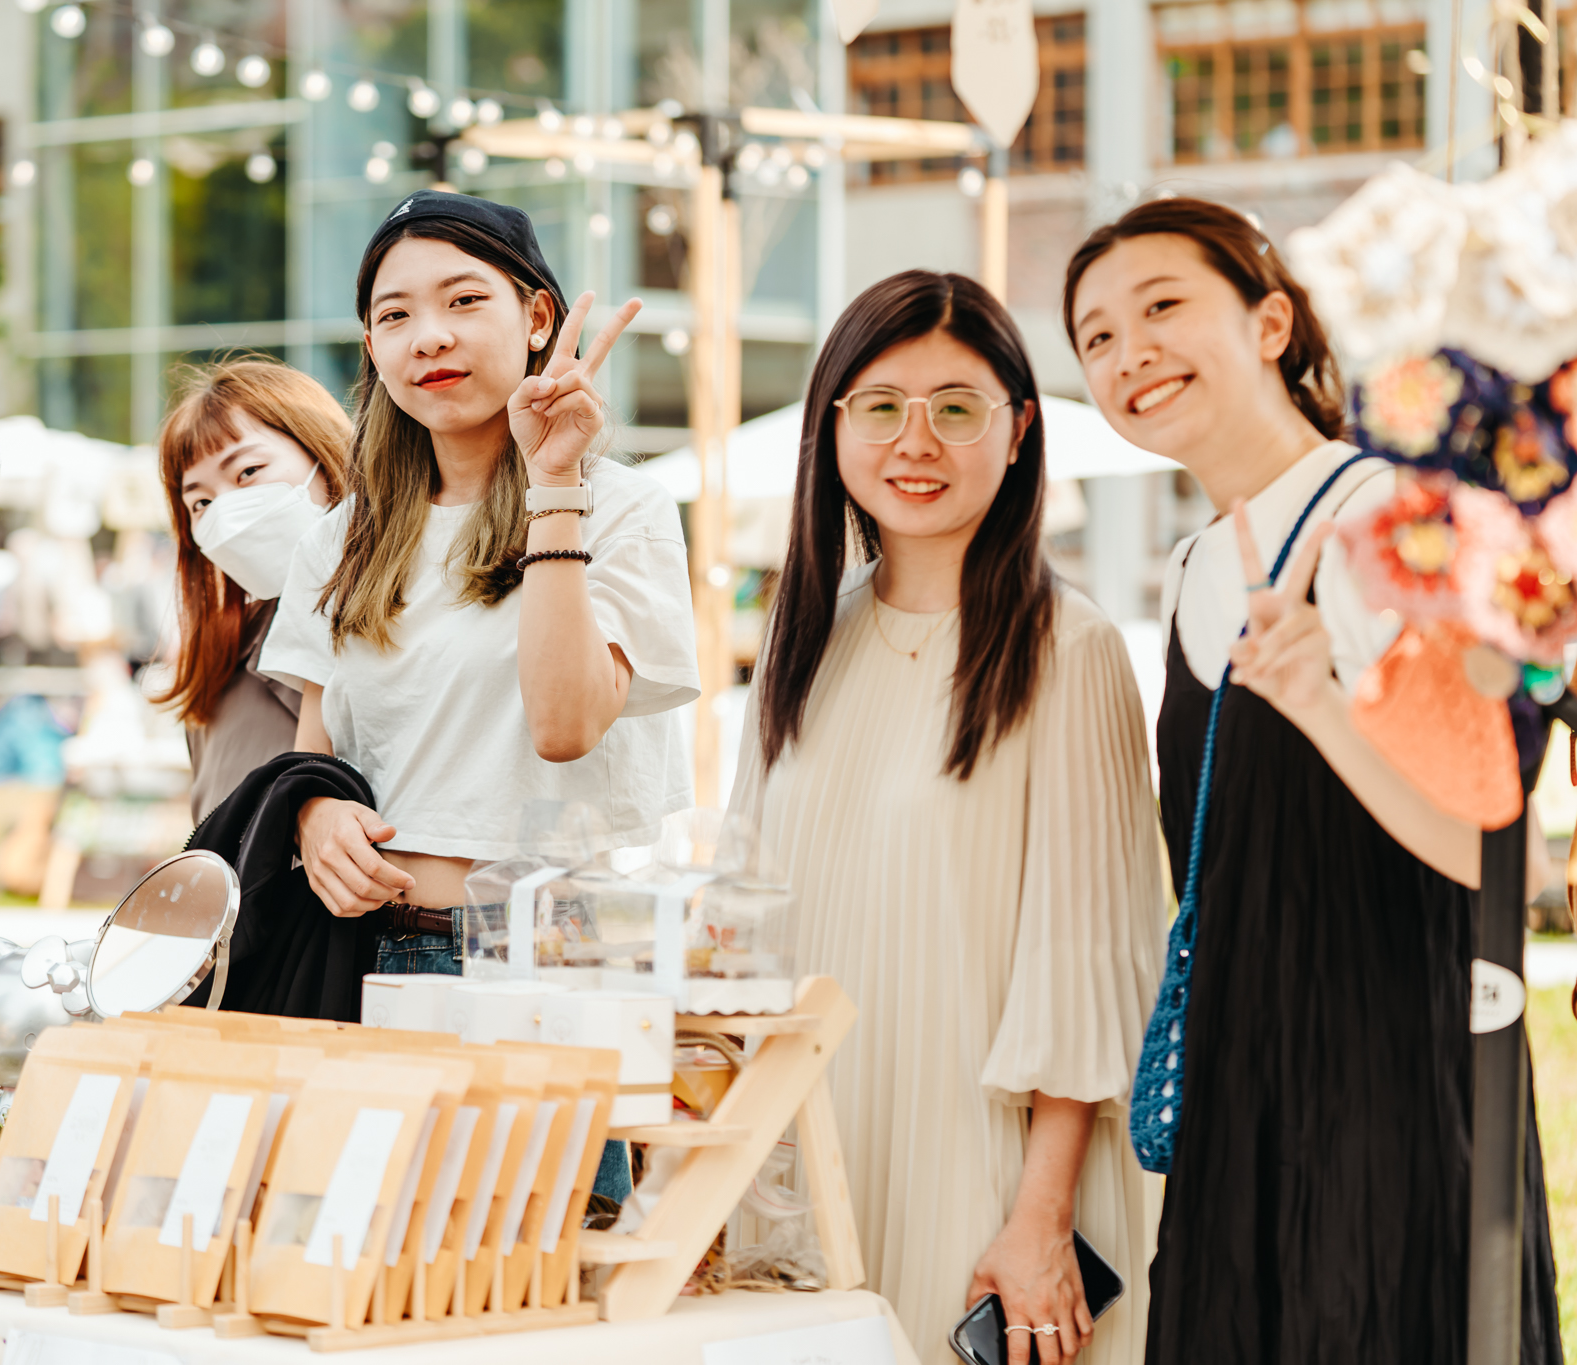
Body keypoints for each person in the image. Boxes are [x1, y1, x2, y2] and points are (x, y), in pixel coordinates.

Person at [1063, 197, 1561, 1363]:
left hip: (1387, 1082)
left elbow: (1502, 854)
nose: (1126, 351)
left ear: (1271, 321)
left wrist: (1322, 707)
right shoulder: (1190, 563)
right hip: (1237, 1093)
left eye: (1161, 306)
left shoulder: (1393, 520)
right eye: (1092, 337)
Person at [728, 271, 1164, 1365]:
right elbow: (734, 909)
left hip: (986, 1174)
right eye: (879, 406)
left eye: (954, 408)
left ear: (1017, 431)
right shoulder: (802, 642)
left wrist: (1037, 1219)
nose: (913, 441)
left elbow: (1087, 958)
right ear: (830, 427)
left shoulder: (1070, 650)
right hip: (808, 1161)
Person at [260, 190, 699, 959]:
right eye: (394, 316)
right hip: (368, 949)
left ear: (537, 319)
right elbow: (318, 760)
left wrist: (554, 482)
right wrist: (315, 816)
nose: (429, 338)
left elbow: (567, 726)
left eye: (464, 301)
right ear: (370, 343)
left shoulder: (625, 509)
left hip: (556, 952)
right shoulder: (340, 541)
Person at [154, 358, 351, 824]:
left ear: (324, 456)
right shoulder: (221, 661)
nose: (226, 510)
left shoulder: (407, 615)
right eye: (200, 502)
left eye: (247, 472)